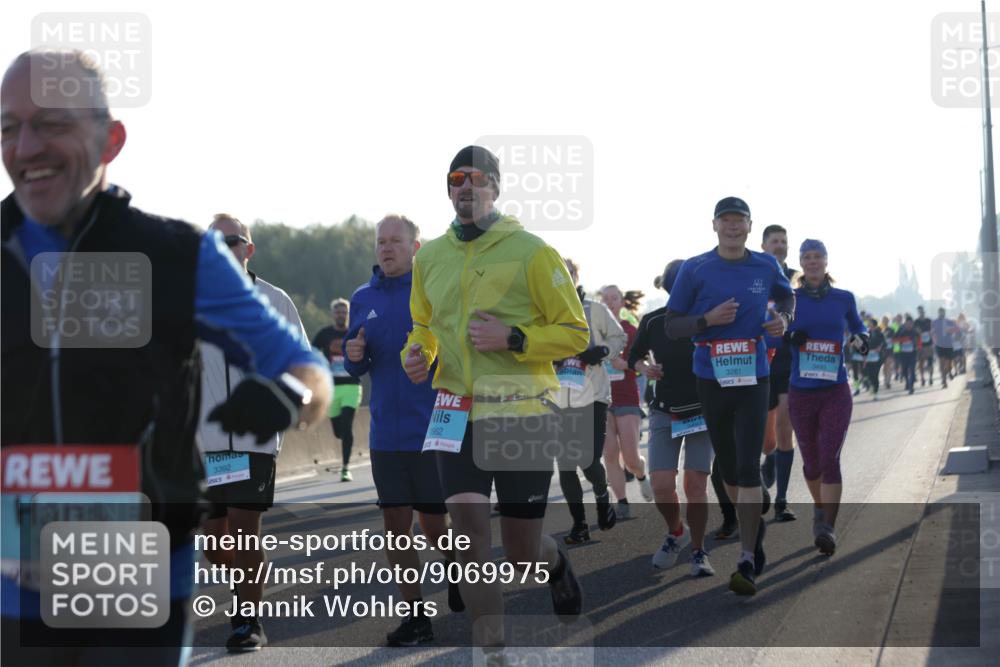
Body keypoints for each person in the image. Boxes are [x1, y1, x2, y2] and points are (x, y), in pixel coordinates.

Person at [0, 50, 330, 665]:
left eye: (50, 124)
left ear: (110, 140)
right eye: (8, 127)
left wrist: (288, 394)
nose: (25, 146)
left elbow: (310, 372)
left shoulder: (179, 256)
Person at [402, 145, 589, 651]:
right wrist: (416, 353)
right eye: (457, 177)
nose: (467, 185)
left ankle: (555, 563)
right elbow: (424, 325)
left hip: (519, 413)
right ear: (449, 188)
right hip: (455, 412)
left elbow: (574, 332)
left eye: (478, 177)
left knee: (523, 554)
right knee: (469, 540)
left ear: (495, 187)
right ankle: (494, 653)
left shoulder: (531, 250)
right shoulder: (431, 258)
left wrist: (516, 339)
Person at [342, 215, 464, 646]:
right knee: (396, 524)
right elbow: (356, 360)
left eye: (395, 241)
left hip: (433, 427)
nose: (386, 248)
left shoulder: (433, 291)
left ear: (416, 247)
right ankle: (416, 616)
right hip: (385, 433)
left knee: (435, 525)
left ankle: (455, 568)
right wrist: (352, 354)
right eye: (380, 241)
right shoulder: (362, 297)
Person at [664, 196, 794, 596]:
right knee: (726, 468)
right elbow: (672, 325)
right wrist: (708, 320)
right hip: (711, 375)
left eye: (740, 221)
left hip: (755, 374)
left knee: (749, 466)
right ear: (715, 225)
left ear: (750, 226)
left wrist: (783, 319)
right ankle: (755, 539)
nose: (733, 227)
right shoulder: (695, 268)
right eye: (726, 221)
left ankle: (745, 557)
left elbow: (787, 297)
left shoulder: (765, 265)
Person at [196, 214, 309, 652]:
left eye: (233, 241)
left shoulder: (274, 301)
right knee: (214, 544)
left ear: (249, 249)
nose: (224, 248)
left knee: (245, 530)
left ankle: (248, 620)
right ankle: (251, 573)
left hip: (253, 442)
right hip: (207, 445)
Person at [631, 261, 715, 576]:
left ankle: (698, 551)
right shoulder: (653, 321)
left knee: (695, 485)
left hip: (701, 412)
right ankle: (675, 532)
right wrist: (645, 369)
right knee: (662, 484)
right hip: (664, 410)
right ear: (668, 287)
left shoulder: (708, 319)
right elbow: (633, 356)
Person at [784, 240, 868, 556]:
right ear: (801, 263)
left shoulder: (843, 298)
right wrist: (790, 335)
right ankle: (820, 509)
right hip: (801, 392)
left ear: (826, 261)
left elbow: (858, 327)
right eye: (807, 257)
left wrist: (862, 339)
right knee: (811, 462)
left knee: (830, 457)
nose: (813, 261)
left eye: (818, 256)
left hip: (835, 390)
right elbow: (771, 332)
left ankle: (827, 527)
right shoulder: (790, 300)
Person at [554, 259, 624, 544]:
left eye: (568, 274)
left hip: (593, 395)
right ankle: (579, 525)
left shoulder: (595, 309)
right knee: (566, 464)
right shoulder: (543, 313)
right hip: (558, 398)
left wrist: (603, 350)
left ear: (575, 277)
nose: (562, 279)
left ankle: (601, 494)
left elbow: (619, 336)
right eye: (556, 274)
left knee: (587, 458)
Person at [601, 284, 653, 519]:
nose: (611, 302)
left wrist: (627, 364)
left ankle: (641, 475)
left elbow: (641, 362)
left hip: (627, 397)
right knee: (610, 454)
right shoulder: (593, 333)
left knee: (631, 457)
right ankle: (622, 502)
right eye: (606, 299)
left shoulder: (630, 331)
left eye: (615, 298)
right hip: (601, 399)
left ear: (622, 303)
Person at [759, 224, 797, 522]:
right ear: (763, 246)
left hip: (786, 362)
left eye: (784, 241)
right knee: (764, 438)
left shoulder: (795, 279)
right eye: (775, 241)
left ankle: (782, 500)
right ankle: (769, 457)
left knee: (785, 428)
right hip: (756, 362)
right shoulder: (754, 276)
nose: (780, 245)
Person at [312, 298, 361, 481]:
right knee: (338, 432)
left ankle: (345, 468)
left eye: (344, 312)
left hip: (351, 386)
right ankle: (345, 456)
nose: (341, 315)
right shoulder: (324, 334)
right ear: (333, 314)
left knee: (347, 427)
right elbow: (311, 352)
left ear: (348, 314)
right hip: (331, 388)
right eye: (338, 312)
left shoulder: (355, 332)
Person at [893, 316, 921, 394]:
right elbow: (894, 340)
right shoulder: (901, 331)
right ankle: (907, 382)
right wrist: (904, 339)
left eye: (911, 323)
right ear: (905, 323)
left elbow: (919, 341)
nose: (909, 325)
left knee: (912, 370)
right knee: (904, 370)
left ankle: (911, 387)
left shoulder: (915, 331)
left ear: (912, 324)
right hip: (903, 353)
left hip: (913, 353)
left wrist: (918, 347)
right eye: (908, 323)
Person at [932, 307, 959, 387]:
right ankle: (944, 380)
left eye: (942, 312)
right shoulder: (935, 322)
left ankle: (949, 372)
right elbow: (932, 332)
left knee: (948, 364)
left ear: (944, 313)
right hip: (939, 345)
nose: (941, 314)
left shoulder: (949, 321)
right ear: (938, 313)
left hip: (948, 344)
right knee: (941, 363)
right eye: (940, 312)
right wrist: (934, 339)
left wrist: (950, 330)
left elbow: (957, 329)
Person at [861, 317, 886, 399]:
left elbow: (883, 344)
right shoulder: (866, 333)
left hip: (877, 358)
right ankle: (872, 386)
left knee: (875, 375)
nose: (868, 324)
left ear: (874, 324)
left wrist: (879, 348)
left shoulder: (879, 333)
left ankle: (876, 392)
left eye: (870, 323)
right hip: (868, 357)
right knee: (869, 374)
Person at [914, 306, 934, 387]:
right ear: (918, 312)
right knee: (921, 362)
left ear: (924, 312)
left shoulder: (929, 320)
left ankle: (930, 377)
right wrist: (917, 332)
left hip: (929, 344)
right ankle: (922, 378)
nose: (921, 313)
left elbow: (934, 330)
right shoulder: (916, 322)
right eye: (919, 311)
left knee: (930, 362)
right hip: (920, 344)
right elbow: (914, 333)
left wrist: (930, 332)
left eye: (922, 311)